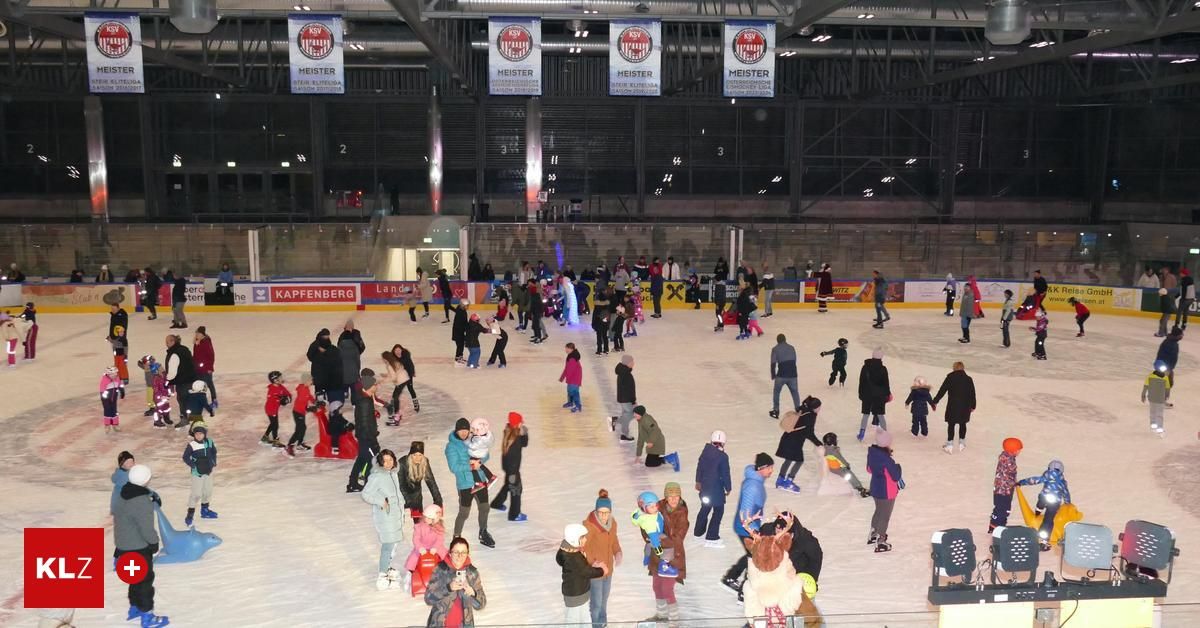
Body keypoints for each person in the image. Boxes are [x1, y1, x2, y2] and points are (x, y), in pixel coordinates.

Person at [113, 464, 168, 627]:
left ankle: (134, 607)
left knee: (134, 577)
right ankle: (147, 616)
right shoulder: (142, 501)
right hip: (137, 547)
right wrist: (154, 542)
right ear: (146, 480)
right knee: (144, 580)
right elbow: (146, 527)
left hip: (123, 545)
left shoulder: (123, 494)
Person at [723, 453, 774, 602]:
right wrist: (753, 532)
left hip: (749, 527)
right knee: (754, 559)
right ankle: (744, 593)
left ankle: (730, 578)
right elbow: (745, 512)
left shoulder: (756, 480)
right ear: (761, 468)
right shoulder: (752, 486)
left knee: (751, 556)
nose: (771, 471)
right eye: (769, 468)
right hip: (746, 528)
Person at [361, 448, 406, 590]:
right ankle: (382, 575)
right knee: (388, 545)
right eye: (385, 460)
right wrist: (382, 501)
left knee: (394, 543)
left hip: (396, 514)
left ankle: (386, 567)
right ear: (380, 462)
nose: (388, 463)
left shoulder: (393, 473)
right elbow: (366, 494)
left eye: (390, 460)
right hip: (386, 516)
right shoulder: (377, 476)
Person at [447, 418, 495, 548]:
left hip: (479, 479)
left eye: (466, 430)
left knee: (485, 507)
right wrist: (471, 466)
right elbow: (453, 467)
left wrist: (480, 459)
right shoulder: (451, 446)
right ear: (456, 430)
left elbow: (486, 455)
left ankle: (483, 531)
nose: (463, 433)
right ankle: (456, 537)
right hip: (465, 483)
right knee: (464, 512)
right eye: (461, 430)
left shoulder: (473, 440)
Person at [424, 537, 486, 626]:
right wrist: (448, 588)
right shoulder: (440, 570)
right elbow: (428, 599)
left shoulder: (472, 573)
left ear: (468, 553)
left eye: (463, 552)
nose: (460, 556)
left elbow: (481, 605)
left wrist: (473, 593)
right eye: (456, 552)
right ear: (450, 553)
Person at [582, 489, 621, 628]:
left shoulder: (612, 523)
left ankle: (603, 624)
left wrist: (617, 552)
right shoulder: (590, 526)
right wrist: (593, 563)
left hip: (608, 570)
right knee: (596, 603)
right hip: (596, 572)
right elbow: (583, 546)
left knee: (604, 601)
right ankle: (596, 625)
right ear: (596, 511)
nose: (604, 516)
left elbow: (614, 540)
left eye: (607, 512)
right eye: (601, 512)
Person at [557, 523, 608, 627]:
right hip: (575, 594)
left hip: (580, 592)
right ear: (574, 539)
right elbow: (586, 572)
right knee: (573, 621)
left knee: (585, 618)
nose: (585, 540)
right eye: (583, 537)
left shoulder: (569, 552)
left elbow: (582, 569)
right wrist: (602, 570)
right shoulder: (573, 558)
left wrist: (591, 566)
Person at [1018, 460, 1071, 550]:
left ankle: (1039, 507)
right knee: (1048, 520)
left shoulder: (1046, 475)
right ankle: (1044, 540)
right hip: (1055, 501)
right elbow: (1066, 492)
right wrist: (1067, 502)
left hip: (1045, 496)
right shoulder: (1062, 481)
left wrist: (1022, 482)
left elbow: (1034, 480)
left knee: (1041, 498)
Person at [866, 430, 903, 553]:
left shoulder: (872, 453)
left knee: (878, 511)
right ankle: (880, 540)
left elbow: (869, 469)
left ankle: (873, 533)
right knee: (885, 516)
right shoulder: (886, 459)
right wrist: (898, 467)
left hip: (876, 489)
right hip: (887, 492)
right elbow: (896, 476)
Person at [774, 397, 822, 493]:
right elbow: (809, 433)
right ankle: (789, 481)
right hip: (795, 441)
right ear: (814, 408)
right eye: (819, 407)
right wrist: (818, 443)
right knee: (799, 461)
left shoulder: (802, 410)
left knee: (788, 459)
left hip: (787, 437)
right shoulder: (810, 416)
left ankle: (780, 479)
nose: (819, 409)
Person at [694, 430, 732, 547]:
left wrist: (698, 481)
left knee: (704, 509)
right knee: (718, 511)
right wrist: (728, 487)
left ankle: (698, 532)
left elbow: (699, 468)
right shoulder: (723, 457)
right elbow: (725, 474)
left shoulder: (705, 452)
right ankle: (712, 536)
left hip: (705, 489)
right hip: (716, 491)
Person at [489, 412, 528, 522]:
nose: (522, 424)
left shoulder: (510, 433)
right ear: (517, 424)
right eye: (520, 423)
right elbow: (523, 444)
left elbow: (524, 443)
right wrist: (512, 475)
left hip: (509, 469)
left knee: (508, 485)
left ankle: (496, 503)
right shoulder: (515, 441)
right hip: (513, 471)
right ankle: (514, 515)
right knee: (516, 491)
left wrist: (524, 433)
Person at [931, 361, 976, 453]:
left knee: (951, 424)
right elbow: (972, 393)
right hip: (965, 405)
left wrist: (935, 401)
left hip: (953, 405)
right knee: (963, 424)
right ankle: (962, 443)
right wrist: (973, 405)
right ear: (963, 368)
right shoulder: (968, 379)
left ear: (954, 368)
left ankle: (950, 444)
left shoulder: (950, 377)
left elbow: (942, 390)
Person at [347, 374, 381, 493]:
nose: (377, 386)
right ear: (369, 387)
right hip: (366, 437)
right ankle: (368, 486)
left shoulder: (365, 398)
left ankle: (352, 484)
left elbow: (366, 419)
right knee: (372, 460)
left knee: (362, 459)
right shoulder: (365, 402)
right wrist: (372, 439)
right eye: (375, 384)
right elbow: (365, 423)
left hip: (364, 436)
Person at [404, 504, 447, 594]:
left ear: (435, 519)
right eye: (425, 517)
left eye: (429, 518)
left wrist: (435, 547)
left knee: (445, 555)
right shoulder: (419, 527)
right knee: (414, 557)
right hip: (422, 547)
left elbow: (440, 539)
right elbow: (416, 538)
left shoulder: (439, 528)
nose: (426, 519)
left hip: (435, 547)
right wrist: (420, 548)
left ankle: (447, 572)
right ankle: (409, 573)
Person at [181, 424, 218, 526]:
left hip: (208, 471)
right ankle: (190, 514)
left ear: (204, 434)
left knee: (207, 491)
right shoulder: (192, 445)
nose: (198, 436)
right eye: (196, 434)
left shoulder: (209, 442)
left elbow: (214, 452)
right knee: (196, 494)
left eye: (201, 434)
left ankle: (204, 510)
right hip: (197, 473)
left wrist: (213, 462)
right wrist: (193, 466)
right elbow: (185, 457)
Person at [399, 441, 443, 523]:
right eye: (414, 455)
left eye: (420, 455)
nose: (417, 458)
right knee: (400, 523)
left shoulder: (424, 462)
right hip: (401, 497)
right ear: (410, 454)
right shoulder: (402, 463)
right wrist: (408, 501)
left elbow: (431, 481)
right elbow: (400, 485)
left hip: (416, 497)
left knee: (419, 523)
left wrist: (438, 500)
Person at [820, 433, 869, 497]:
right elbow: (841, 460)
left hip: (832, 467)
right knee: (850, 475)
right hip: (837, 468)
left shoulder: (825, 449)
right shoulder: (834, 452)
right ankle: (859, 488)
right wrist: (847, 465)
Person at [856, 348, 890, 441]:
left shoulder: (865, 367)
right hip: (879, 395)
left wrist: (860, 394)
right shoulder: (883, 369)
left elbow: (861, 381)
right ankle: (885, 433)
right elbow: (886, 383)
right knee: (880, 414)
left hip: (867, 395)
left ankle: (862, 433)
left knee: (865, 414)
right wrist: (888, 394)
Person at [634, 405, 680, 472]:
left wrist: (651, 442)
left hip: (657, 443)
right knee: (649, 462)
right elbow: (641, 437)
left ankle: (670, 458)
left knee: (650, 463)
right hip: (652, 444)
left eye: (636, 413)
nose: (634, 415)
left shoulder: (647, 420)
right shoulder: (640, 420)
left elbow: (655, 431)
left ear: (640, 414)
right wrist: (638, 455)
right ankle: (670, 458)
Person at [990, 437, 1022, 533]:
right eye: (1019, 450)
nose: (1020, 452)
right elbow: (1009, 476)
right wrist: (1015, 483)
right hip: (1004, 490)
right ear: (1013, 451)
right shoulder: (1009, 462)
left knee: (999, 508)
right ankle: (998, 529)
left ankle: (993, 526)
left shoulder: (1005, 456)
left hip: (999, 488)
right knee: (1003, 509)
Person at [769, 334, 800, 420]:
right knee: (795, 392)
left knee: (777, 392)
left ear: (777, 340)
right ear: (785, 340)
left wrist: (773, 374)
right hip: (793, 374)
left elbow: (773, 363)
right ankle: (798, 409)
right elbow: (794, 360)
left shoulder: (775, 349)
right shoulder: (792, 347)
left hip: (781, 374)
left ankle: (776, 410)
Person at [383, 344, 419, 417]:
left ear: (402, 350)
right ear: (394, 351)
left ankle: (416, 404)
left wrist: (412, 372)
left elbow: (410, 365)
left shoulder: (406, 356)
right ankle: (393, 406)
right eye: (396, 350)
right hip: (400, 378)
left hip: (408, 375)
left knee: (411, 389)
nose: (398, 352)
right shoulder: (393, 358)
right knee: (396, 392)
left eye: (399, 350)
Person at [286, 373, 316, 456]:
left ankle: (300, 444)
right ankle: (289, 446)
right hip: (298, 412)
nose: (312, 381)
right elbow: (301, 402)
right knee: (299, 429)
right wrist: (309, 409)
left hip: (301, 412)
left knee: (303, 427)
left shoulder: (306, 388)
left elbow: (309, 396)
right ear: (306, 381)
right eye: (310, 380)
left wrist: (314, 401)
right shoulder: (302, 389)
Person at [466, 418, 498, 492]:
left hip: (477, 454)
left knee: (473, 467)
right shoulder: (483, 436)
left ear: (479, 430)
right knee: (480, 466)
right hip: (479, 454)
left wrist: (465, 440)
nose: (472, 431)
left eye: (474, 429)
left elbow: (472, 446)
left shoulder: (480, 439)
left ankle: (479, 483)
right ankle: (491, 477)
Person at [612, 354, 637, 442]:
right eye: (632, 361)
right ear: (627, 363)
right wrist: (633, 401)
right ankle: (614, 421)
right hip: (626, 399)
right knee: (630, 414)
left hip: (623, 398)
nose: (633, 363)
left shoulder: (623, 371)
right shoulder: (625, 373)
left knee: (626, 415)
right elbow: (630, 389)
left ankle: (624, 435)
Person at [1143, 361, 1172, 435]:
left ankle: (1156, 426)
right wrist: (1167, 396)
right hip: (1156, 398)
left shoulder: (1153, 376)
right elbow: (1146, 386)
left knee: (1156, 413)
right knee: (1156, 413)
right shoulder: (1152, 376)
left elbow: (1167, 387)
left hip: (1156, 398)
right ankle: (1156, 426)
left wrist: (1143, 394)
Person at [262, 371, 290, 447]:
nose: (282, 379)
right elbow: (274, 399)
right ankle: (275, 441)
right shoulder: (272, 390)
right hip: (271, 409)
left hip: (274, 409)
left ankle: (265, 437)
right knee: (275, 425)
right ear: (275, 380)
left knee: (272, 423)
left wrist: (287, 398)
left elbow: (287, 393)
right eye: (280, 378)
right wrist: (281, 400)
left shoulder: (280, 387)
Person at [191, 327, 216, 409]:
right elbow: (195, 356)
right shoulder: (197, 342)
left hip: (206, 369)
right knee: (200, 386)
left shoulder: (206, 343)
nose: (196, 335)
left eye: (198, 333)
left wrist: (210, 368)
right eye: (196, 333)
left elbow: (211, 356)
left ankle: (214, 401)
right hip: (198, 368)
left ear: (202, 334)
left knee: (209, 384)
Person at [110, 451, 137, 516]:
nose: (130, 464)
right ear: (122, 464)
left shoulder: (126, 474)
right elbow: (137, 489)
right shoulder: (124, 477)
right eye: (127, 462)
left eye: (132, 461)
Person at [99, 366, 125, 433]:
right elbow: (102, 390)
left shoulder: (117, 378)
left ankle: (115, 424)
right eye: (113, 374)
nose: (115, 375)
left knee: (114, 411)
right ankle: (107, 425)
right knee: (107, 410)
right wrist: (104, 397)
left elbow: (120, 384)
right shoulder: (105, 380)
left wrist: (122, 390)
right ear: (108, 374)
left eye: (116, 373)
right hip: (106, 399)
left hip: (114, 398)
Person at [591, 290, 610, 355]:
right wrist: (608, 324)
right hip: (605, 322)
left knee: (599, 336)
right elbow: (608, 315)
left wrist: (593, 324)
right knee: (605, 336)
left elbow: (594, 315)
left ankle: (599, 350)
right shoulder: (607, 305)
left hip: (598, 323)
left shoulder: (597, 306)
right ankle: (606, 349)